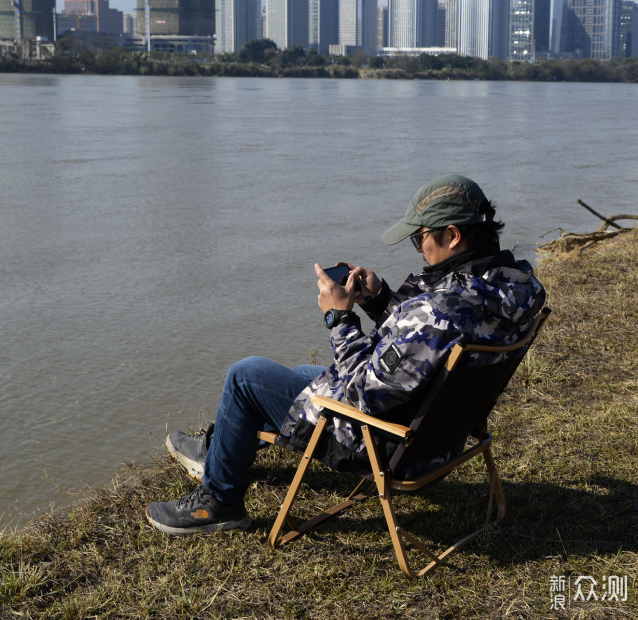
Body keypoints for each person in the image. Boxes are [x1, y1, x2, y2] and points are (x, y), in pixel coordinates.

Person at [145, 175, 546, 535]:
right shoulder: (517, 287)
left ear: (453, 236)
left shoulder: (437, 311)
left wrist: (339, 318)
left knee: (246, 376)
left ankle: (219, 502)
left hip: (388, 445)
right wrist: (382, 301)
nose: (419, 249)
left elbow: (362, 393)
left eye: (419, 237)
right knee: (306, 372)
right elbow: (429, 343)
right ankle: (223, 449)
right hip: (441, 435)